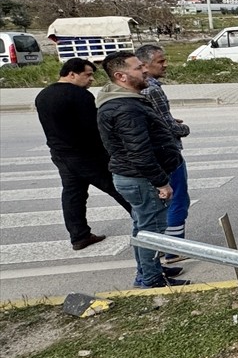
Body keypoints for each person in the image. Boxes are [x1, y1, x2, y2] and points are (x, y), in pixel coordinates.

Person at [95, 52, 188, 288]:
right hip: (141, 179)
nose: (145, 70)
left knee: (142, 228)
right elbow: (140, 152)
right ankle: (151, 279)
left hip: (134, 177)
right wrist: (161, 182)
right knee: (151, 231)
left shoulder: (124, 101)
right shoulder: (126, 109)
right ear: (121, 76)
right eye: (138, 68)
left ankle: (149, 271)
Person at [34, 57, 131, 251]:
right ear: (72, 74)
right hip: (87, 155)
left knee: (73, 195)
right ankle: (151, 230)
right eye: (87, 75)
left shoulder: (43, 95)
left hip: (61, 154)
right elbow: (93, 128)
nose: (91, 80)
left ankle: (79, 236)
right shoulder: (80, 96)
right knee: (121, 189)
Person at [136, 44, 190, 262]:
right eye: (161, 61)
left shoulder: (137, 89)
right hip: (168, 153)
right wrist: (184, 129)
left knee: (161, 204)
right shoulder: (153, 88)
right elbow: (167, 126)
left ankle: (164, 247)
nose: (165, 64)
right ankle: (173, 249)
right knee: (178, 200)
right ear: (145, 65)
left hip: (151, 154)